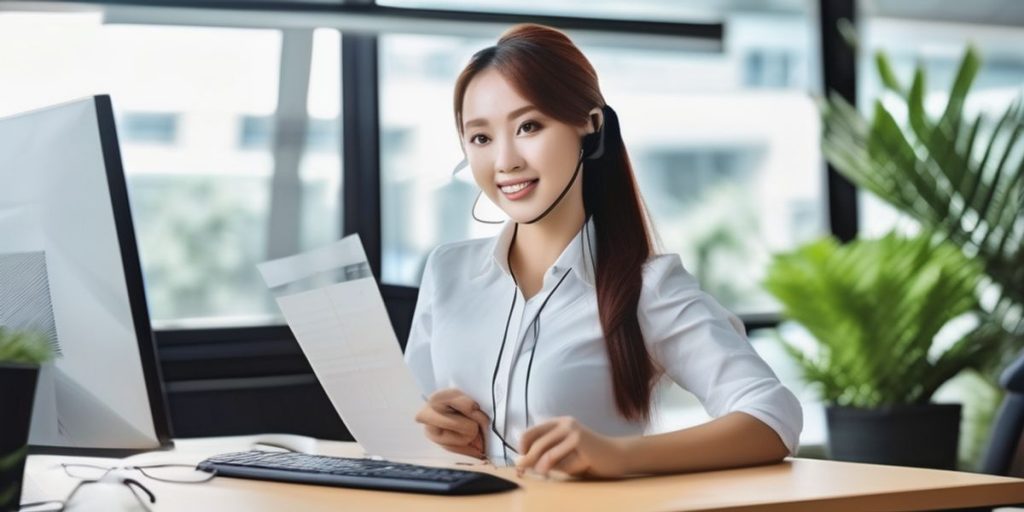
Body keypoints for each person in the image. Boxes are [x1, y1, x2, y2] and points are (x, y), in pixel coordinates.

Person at [404, 23, 802, 479]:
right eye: (481, 138)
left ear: (588, 125)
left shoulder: (646, 285)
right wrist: (435, 427)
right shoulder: (446, 271)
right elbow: (411, 421)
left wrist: (617, 456)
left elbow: (772, 416)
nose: (505, 160)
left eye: (529, 126)